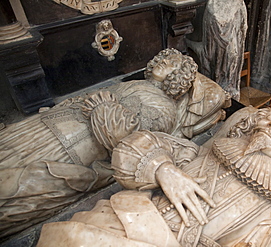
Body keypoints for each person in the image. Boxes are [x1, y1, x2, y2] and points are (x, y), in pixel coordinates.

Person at [37, 98, 271, 246]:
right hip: (129, 214)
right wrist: (165, 171)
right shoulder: (207, 151)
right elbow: (137, 145)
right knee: (67, 236)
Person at [0, 49, 230, 238]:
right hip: (47, 127)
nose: (163, 61)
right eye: (164, 57)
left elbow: (128, 141)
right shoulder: (136, 84)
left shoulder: (164, 108)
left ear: (179, 76)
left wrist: (102, 106)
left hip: (69, 147)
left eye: (172, 62)